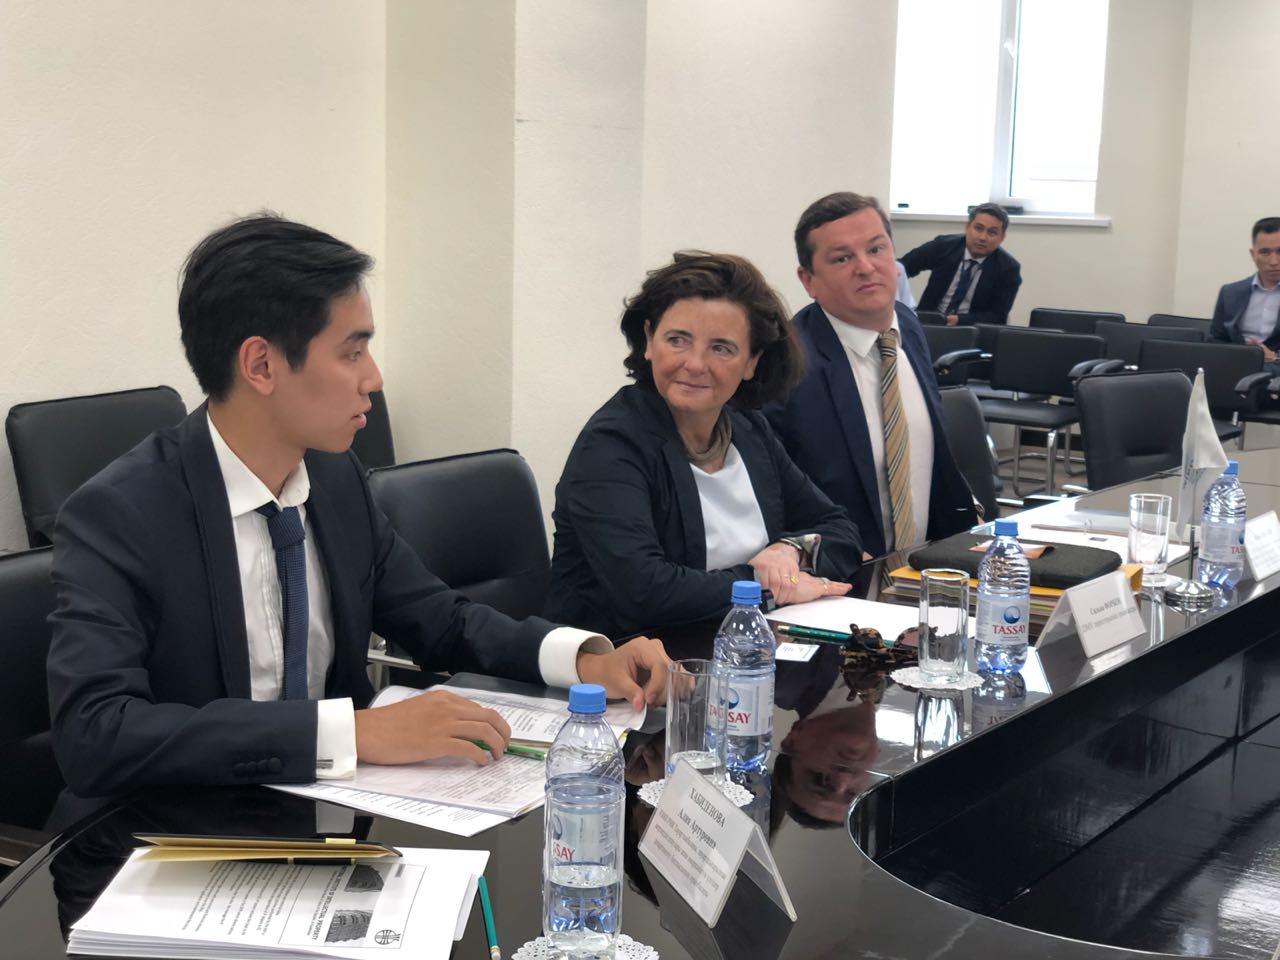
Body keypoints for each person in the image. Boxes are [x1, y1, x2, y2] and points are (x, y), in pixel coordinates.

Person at [47, 214, 670, 800]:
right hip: (182, 830)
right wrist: (351, 732)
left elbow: (440, 619)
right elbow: (96, 733)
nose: (373, 377)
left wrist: (585, 660)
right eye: (351, 352)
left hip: (331, 816)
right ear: (261, 364)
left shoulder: (333, 475)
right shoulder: (120, 514)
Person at [545, 251, 862, 640]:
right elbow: (644, 591)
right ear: (649, 340)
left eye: (721, 347)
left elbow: (840, 530)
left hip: (741, 646)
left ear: (752, 362)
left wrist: (790, 551)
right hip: (629, 662)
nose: (695, 364)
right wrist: (764, 584)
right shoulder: (612, 444)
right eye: (678, 340)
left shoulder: (748, 429)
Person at [767, 192, 978, 559]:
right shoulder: (784, 362)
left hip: (922, 566)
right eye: (842, 258)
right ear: (808, 279)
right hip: (841, 575)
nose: (865, 267)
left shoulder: (907, 326)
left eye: (876, 249)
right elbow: (770, 494)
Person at [899, 202, 1022, 326]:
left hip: (971, 329)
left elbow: (998, 316)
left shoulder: (1008, 269)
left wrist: (960, 320)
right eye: (978, 228)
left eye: (992, 232)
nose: (983, 237)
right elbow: (901, 267)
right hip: (929, 322)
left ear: (1002, 238)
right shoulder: (944, 246)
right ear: (967, 227)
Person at [1209, 215, 1280, 374]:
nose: (1274, 261)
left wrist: (1275, 358)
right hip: (1235, 370)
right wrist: (1243, 354)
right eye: (1265, 252)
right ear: (1253, 254)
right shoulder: (1229, 293)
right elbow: (1215, 341)